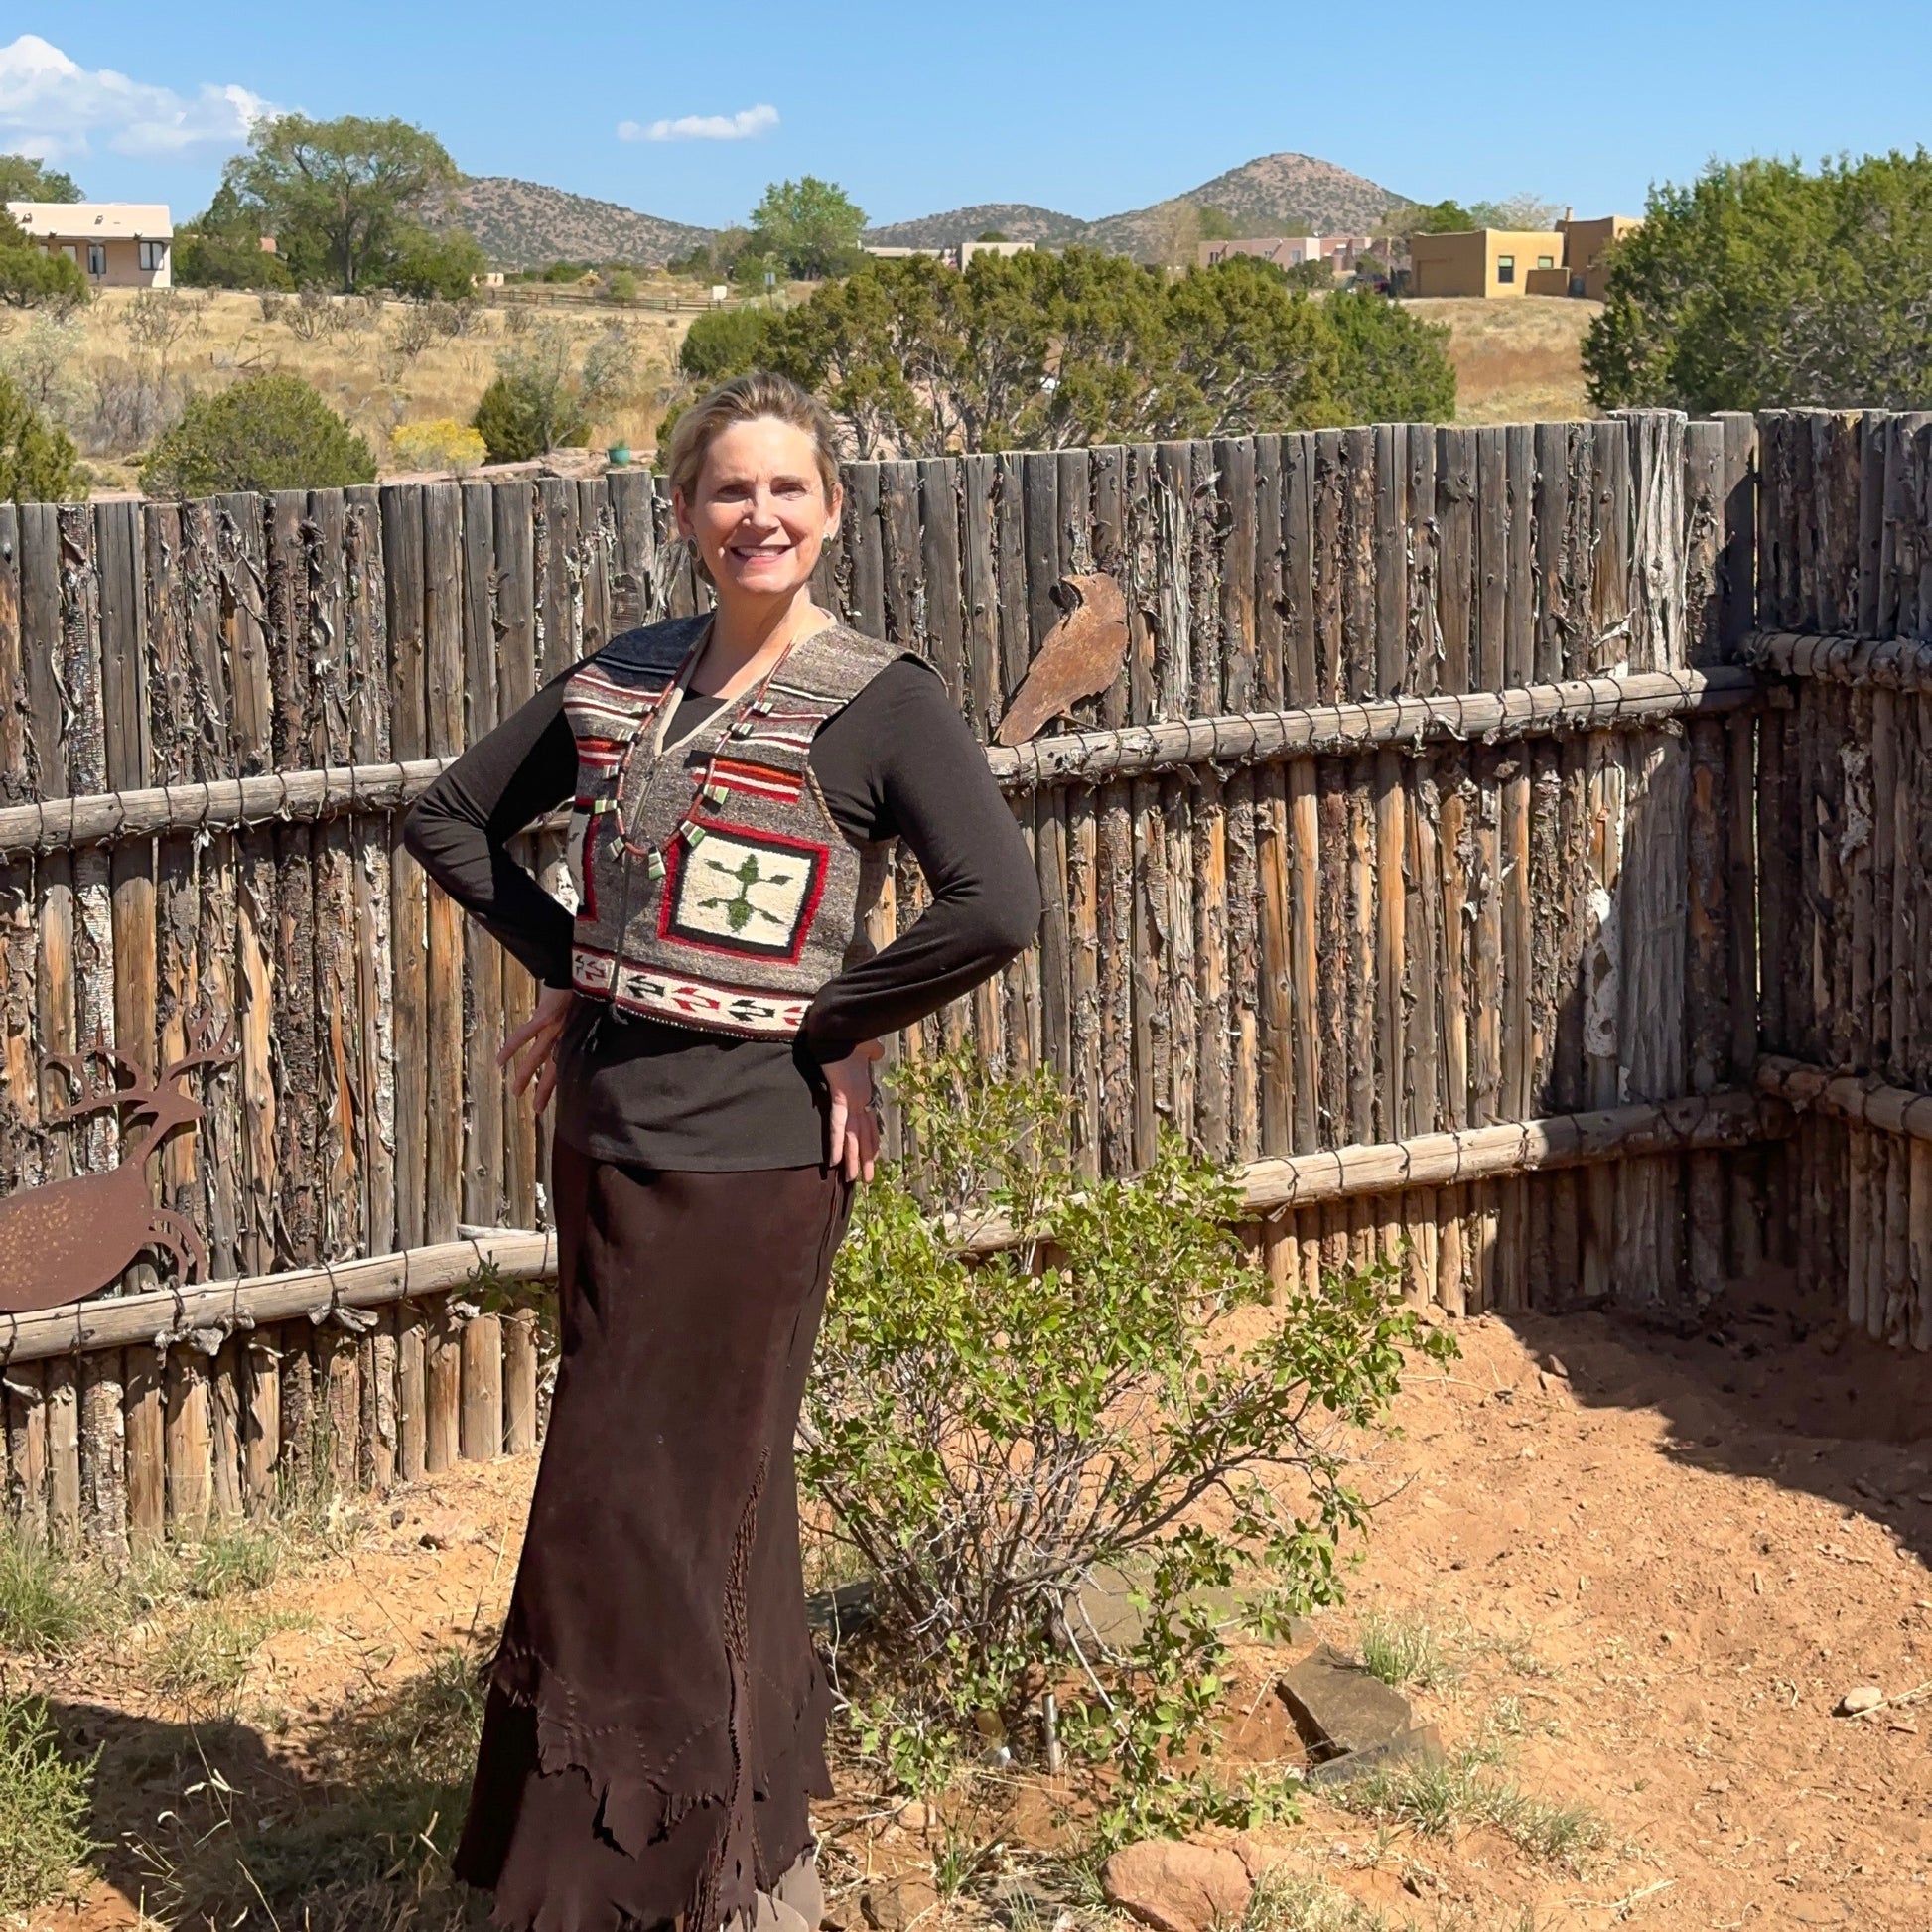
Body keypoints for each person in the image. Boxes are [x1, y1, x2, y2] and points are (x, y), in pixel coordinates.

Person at [403, 370, 1038, 1932]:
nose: (759, 515)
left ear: (830, 510)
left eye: (788, 490)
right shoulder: (620, 683)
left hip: (755, 1164)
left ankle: (616, 1884)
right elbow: (450, 819)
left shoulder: (880, 697)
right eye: (727, 490)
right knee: (685, 1496)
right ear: (683, 511)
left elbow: (994, 905)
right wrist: (576, 963)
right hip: (605, 1132)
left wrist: (832, 1024)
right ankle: (739, 1851)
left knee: (642, 1499)